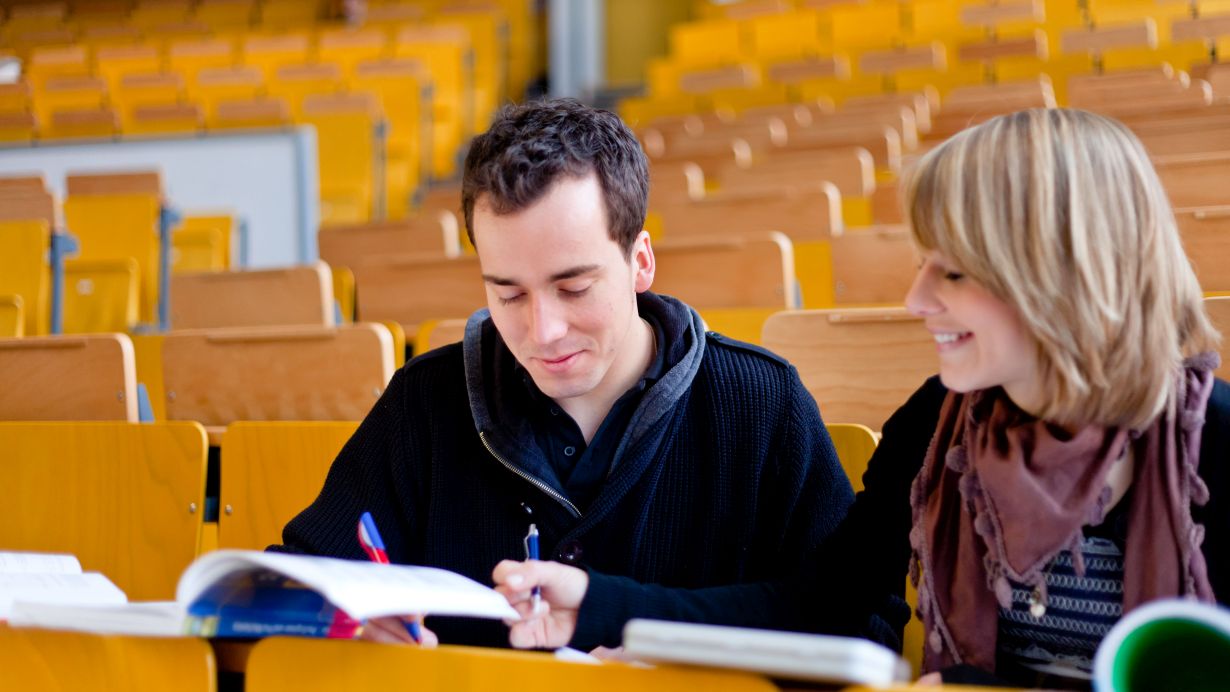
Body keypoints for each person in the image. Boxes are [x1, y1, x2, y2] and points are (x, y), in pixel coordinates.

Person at [493, 107, 1230, 688]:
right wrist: (600, 604)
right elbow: (814, 606)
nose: (917, 299)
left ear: (1058, 277)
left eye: (953, 273)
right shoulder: (935, 425)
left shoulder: (1214, 442)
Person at [270, 98, 881, 649]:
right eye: (508, 294)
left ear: (640, 262)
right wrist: (342, 624)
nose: (543, 331)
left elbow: (861, 623)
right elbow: (292, 583)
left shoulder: (762, 404)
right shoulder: (423, 402)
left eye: (574, 287)